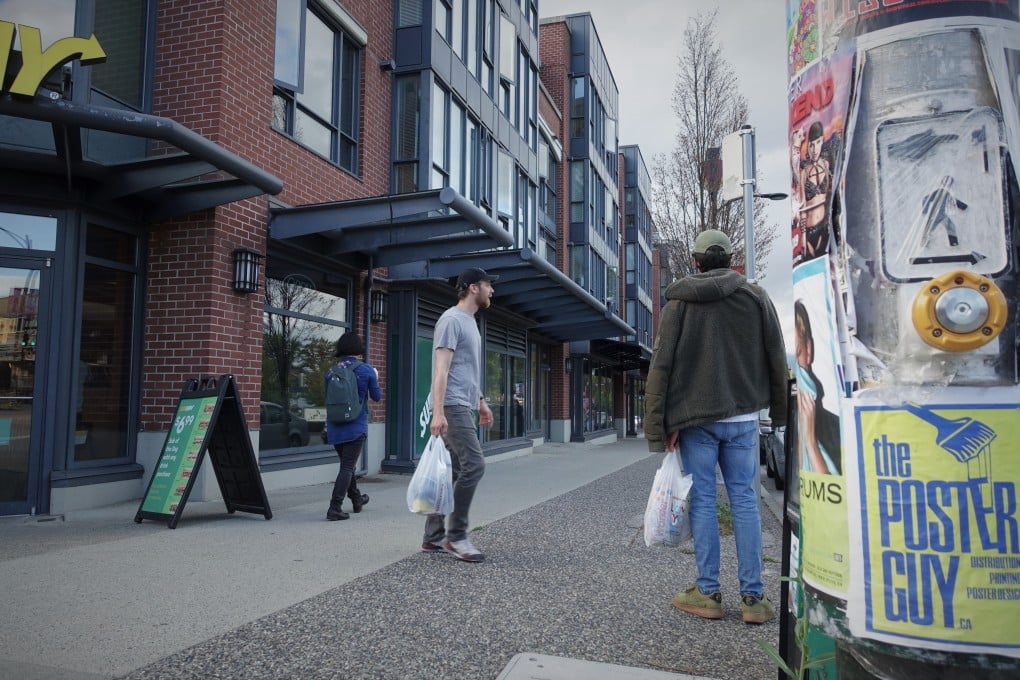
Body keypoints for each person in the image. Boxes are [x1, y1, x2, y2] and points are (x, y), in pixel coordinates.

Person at [644, 229, 788, 624]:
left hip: (695, 421)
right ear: (730, 259)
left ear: (695, 261)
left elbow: (662, 366)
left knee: (704, 499)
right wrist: (780, 413)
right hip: (743, 419)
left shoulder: (679, 302)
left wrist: (660, 427)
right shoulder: (756, 297)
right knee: (745, 500)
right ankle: (754, 598)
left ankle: (708, 592)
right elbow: (776, 354)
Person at [421, 267, 497, 562]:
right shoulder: (452, 319)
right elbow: (442, 369)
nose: (493, 290)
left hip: (463, 404)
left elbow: (466, 369)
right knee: (474, 465)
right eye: (489, 285)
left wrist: (480, 401)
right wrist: (438, 412)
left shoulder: (470, 322)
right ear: (473, 287)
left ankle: (432, 536)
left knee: (452, 471)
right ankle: (457, 536)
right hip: (451, 406)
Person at [324, 332, 381, 521]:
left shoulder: (331, 372)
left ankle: (357, 499)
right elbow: (377, 397)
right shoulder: (366, 370)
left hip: (335, 426)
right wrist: (375, 378)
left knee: (346, 466)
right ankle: (335, 507)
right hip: (355, 426)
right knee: (347, 467)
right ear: (359, 349)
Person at [793, 300, 841, 475]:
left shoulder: (837, 429)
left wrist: (811, 443)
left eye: (798, 353)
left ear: (808, 349)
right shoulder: (795, 420)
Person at [798, 121, 831, 259]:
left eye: (817, 142)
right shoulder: (804, 173)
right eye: (811, 144)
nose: (814, 149)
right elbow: (802, 206)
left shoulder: (826, 165)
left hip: (824, 225)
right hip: (810, 229)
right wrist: (803, 235)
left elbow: (829, 196)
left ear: (822, 141)